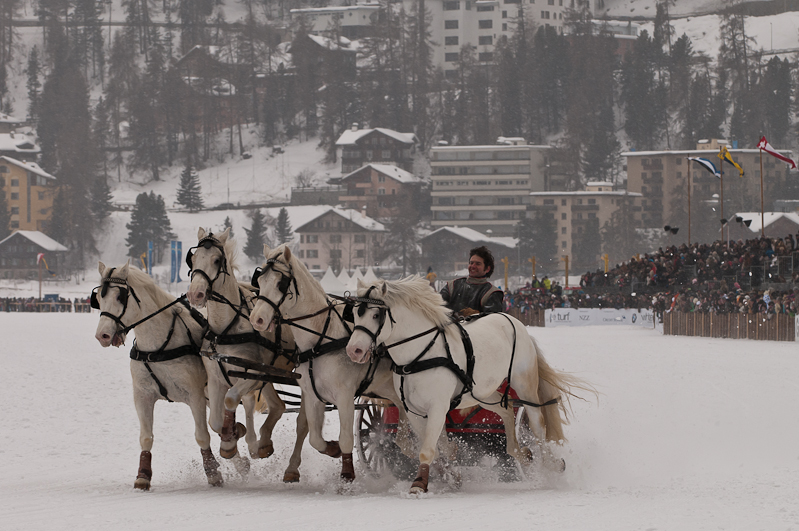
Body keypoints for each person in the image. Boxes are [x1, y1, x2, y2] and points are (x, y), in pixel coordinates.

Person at [440, 246, 504, 316]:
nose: (473, 266)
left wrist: (476, 315)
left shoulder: (492, 293)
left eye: (478, 264)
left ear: (487, 269)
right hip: (449, 326)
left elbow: (492, 319)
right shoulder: (452, 285)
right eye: (471, 263)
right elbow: (437, 306)